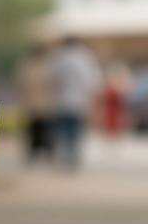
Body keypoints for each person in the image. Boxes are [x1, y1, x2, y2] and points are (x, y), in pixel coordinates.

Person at [49, 35, 102, 170]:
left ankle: (65, 156)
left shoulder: (59, 57)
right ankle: (73, 157)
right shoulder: (85, 57)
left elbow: (52, 78)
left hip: (62, 100)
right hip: (79, 101)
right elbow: (92, 80)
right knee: (76, 131)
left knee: (64, 130)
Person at [15, 43, 56, 164]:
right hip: (46, 104)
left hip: (32, 104)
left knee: (34, 131)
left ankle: (34, 154)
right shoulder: (49, 67)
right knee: (45, 131)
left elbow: (20, 84)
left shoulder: (27, 66)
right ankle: (47, 153)